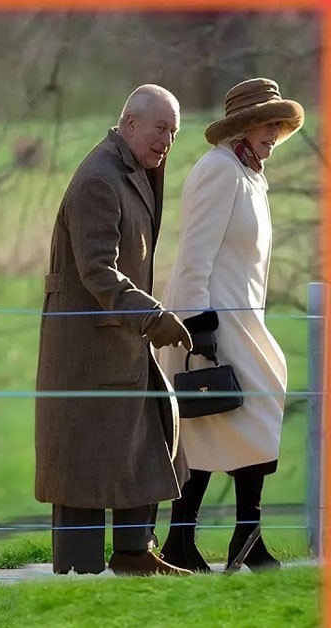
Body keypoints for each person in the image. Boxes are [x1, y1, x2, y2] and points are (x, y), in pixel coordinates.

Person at [34, 84, 193, 576]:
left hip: (118, 336)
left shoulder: (132, 169)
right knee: (86, 457)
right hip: (87, 346)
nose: (167, 139)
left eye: (174, 131)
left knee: (145, 439)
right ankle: (81, 569)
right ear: (129, 123)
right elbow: (98, 269)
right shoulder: (100, 178)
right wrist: (152, 316)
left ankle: (133, 554)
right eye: (160, 127)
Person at [157, 78, 303, 573]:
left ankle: (231, 537)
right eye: (268, 122)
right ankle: (216, 540)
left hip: (243, 315)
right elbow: (195, 252)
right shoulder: (219, 170)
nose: (276, 132)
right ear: (243, 125)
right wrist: (198, 325)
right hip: (214, 317)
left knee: (233, 421)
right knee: (214, 423)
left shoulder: (249, 172)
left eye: (279, 124)